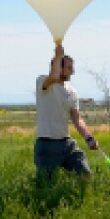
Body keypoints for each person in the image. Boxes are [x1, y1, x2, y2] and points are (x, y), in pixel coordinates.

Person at [34, 43, 99, 181]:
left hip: (67, 144)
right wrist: (58, 56)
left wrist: (88, 138)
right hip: (47, 145)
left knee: (85, 175)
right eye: (69, 68)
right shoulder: (44, 83)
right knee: (46, 184)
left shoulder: (72, 92)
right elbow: (53, 77)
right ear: (58, 68)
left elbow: (77, 118)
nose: (73, 72)